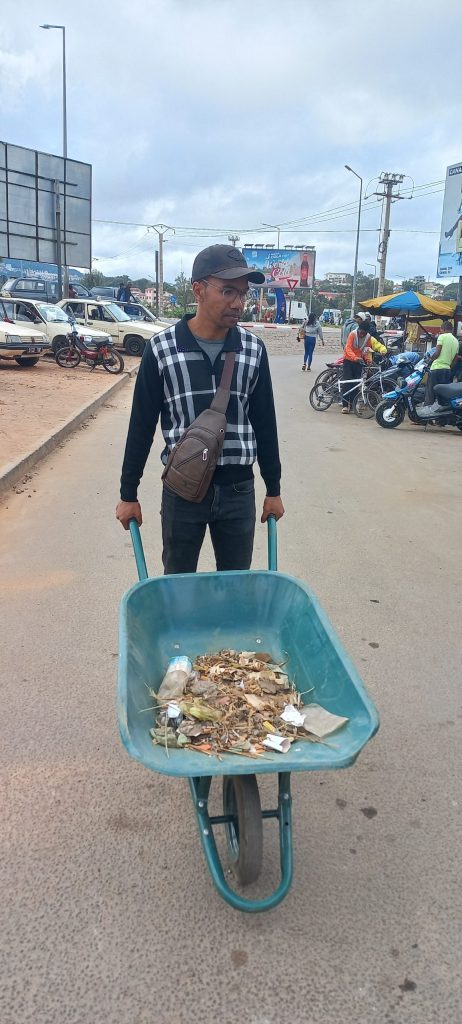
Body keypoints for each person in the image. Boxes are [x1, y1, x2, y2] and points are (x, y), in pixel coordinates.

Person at [116, 244, 285, 574]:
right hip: (182, 490)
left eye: (243, 293)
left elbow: (265, 424)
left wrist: (273, 489)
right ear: (198, 290)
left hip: (238, 490)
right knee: (178, 584)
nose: (238, 303)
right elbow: (141, 426)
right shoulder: (162, 349)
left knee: (235, 585)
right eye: (227, 291)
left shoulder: (252, 350)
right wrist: (128, 493)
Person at [341, 323, 387, 414]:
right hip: (348, 361)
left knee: (356, 384)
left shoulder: (368, 337)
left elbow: (366, 350)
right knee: (347, 382)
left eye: (364, 333)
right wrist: (355, 357)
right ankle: (345, 405)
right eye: (361, 332)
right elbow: (348, 348)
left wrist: (368, 360)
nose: (362, 335)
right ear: (358, 330)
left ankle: (352, 405)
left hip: (359, 362)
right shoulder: (352, 335)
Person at [419, 320, 460, 414]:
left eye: (440, 330)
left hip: (437, 368)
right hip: (447, 370)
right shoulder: (456, 341)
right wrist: (448, 367)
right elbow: (455, 359)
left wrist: (429, 360)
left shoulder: (442, 337)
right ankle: (441, 418)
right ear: (451, 329)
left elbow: (437, 353)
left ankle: (426, 416)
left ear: (443, 329)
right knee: (443, 395)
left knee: (430, 393)